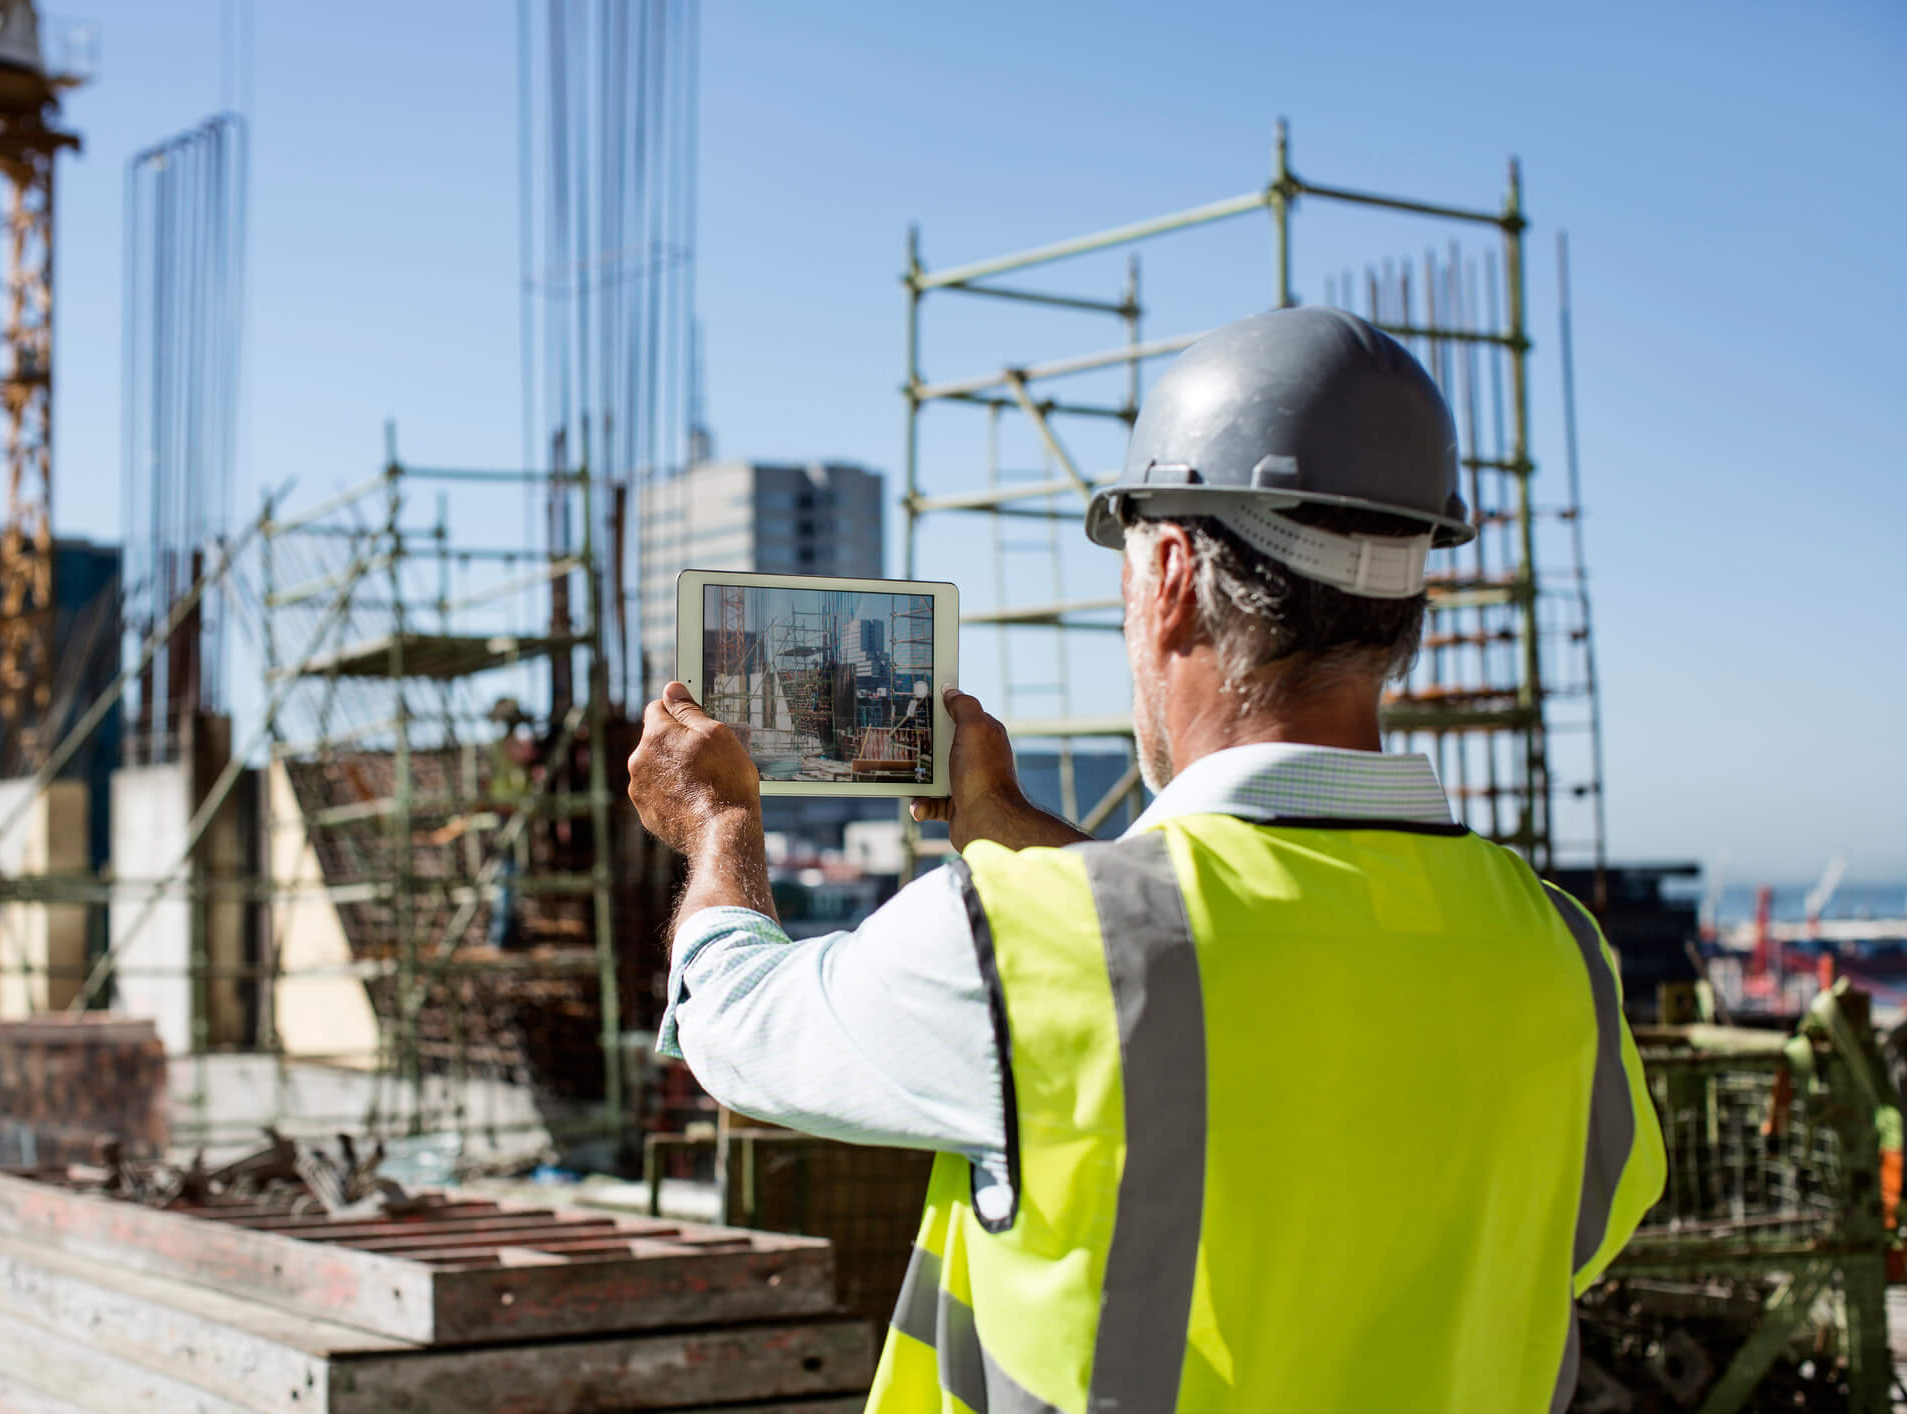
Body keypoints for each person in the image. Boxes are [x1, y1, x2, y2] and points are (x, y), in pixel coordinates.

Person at [626, 306, 1666, 1413]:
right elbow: (1566, 1228)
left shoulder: (1026, 941)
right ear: (1408, 601)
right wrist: (1003, 818)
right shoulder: (1560, 954)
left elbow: (742, 1026)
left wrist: (716, 825)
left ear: (1168, 575)